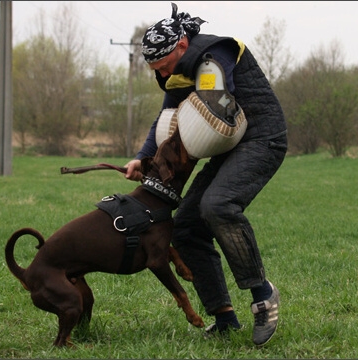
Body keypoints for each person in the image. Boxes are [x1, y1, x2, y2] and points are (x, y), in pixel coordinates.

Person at [124, 3, 288, 346]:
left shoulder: (217, 52)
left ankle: (263, 296)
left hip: (263, 139)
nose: (163, 76)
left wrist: (194, 105)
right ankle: (225, 316)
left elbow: (216, 104)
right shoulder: (178, 69)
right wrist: (143, 157)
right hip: (232, 146)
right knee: (185, 224)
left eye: (164, 67)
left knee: (217, 205)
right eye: (156, 70)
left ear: (181, 46)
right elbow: (167, 113)